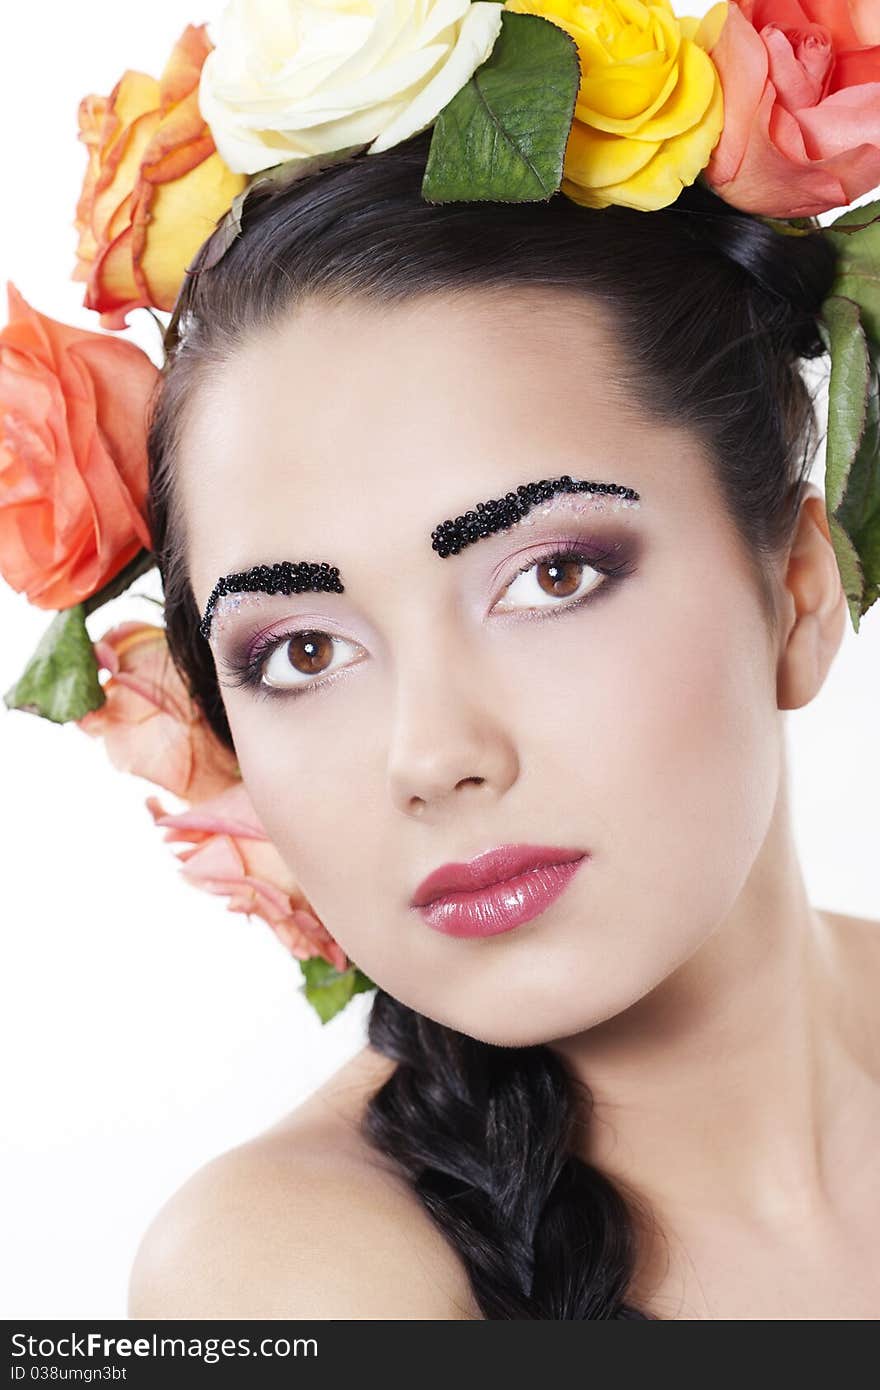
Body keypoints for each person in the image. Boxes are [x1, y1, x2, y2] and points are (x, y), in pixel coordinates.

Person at [120, 129, 879, 1320]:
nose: (432, 755)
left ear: (794, 589)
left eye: (549, 577)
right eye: (305, 651)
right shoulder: (283, 1279)